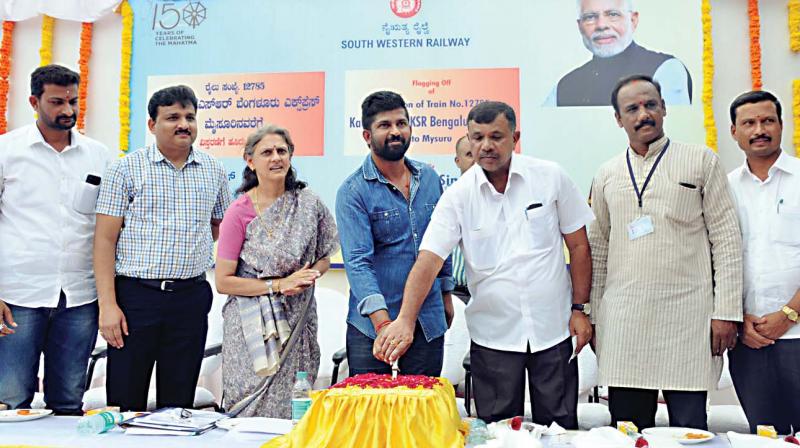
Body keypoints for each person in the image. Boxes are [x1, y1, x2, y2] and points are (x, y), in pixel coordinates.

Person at [381, 101, 594, 427]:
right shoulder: (458, 196)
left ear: (514, 137)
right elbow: (429, 260)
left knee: (560, 431)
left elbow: (578, 246)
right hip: (494, 338)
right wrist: (406, 320)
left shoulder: (550, 177)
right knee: (495, 434)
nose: (486, 146)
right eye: (477, 137)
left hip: (554, 331)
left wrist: (580, 307)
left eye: (496, 136)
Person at [587, 75, 742, 430]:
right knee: (628, 429)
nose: (644, 114)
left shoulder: (701, 160)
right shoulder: (607, 172)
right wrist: (593, 315)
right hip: (624, 321)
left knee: (689, 431)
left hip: (688, 319)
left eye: (651, 105)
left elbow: (726, 239)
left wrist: (727, 312)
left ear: (664, 108)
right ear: (618, 118)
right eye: (632, 109)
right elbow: (598, 249)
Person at [94, 85, 232, 411]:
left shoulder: (213, 170)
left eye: (190, 117)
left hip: (190, 299)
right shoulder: (125, 169)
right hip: (135, 300)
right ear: (152, 124)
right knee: (126, 404)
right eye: (172, 117)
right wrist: (108, 306)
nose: (183, 124)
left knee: (178, 405)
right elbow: (104, 241)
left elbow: (219, 227)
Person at [0, 65, 111, 414]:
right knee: (11, 401)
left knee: (67, 403)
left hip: (79, 297)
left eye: (73, 101)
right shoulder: (6, 151)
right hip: (17, 296)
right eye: (57, 102)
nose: (68, 110)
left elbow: (107, 227)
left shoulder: (99, 155)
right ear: (34, 101)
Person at [215, 125, 338, 418]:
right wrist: (279, 285)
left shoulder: (309, 203)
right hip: (250, 327)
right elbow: (223, 281)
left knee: (297, 403)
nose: (276, 158)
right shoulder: (238, 211)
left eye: (282, 151)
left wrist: (309, 277)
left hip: (299, 316)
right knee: (248, 406)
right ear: (250, 160)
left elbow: (324, 258)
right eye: (267, 152)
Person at [336, 90, 454, 376]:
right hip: (375, 331)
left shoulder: (429, 178)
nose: (395, 131)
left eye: (401, 123)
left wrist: (446, 295)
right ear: (367, 135)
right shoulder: (353, 191)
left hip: (427, 322)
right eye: (384, 125)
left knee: (421, 413)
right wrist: (384, 325)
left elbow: (442, 243)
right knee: (372, 416)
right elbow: (358, 264)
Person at [726, 90, 800, 434]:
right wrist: (738, 319)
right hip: (748, 339)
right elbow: (718, 261)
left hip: (798, 334)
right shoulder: (724, 188)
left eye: (768, 120)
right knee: (764, 435)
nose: (760, 129)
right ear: (734, 131)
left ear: (782, 125)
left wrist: (789, 314)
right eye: (749, 123)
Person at [545, 0, 692, 107]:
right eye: (590, 17)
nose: (601, 25)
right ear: (579, 27)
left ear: (633, 20)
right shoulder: (565, 86)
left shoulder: (666, 70)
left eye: (613, 14)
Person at [451, 135, 474, 302]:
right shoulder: (446, 201)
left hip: (488, 294)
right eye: (469, 154)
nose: (475, 160)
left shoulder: (501, 198)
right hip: (454, 294)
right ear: (457, 161)